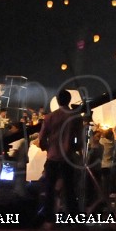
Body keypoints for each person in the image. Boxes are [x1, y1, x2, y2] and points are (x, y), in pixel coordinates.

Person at [38, 91, 82, 221]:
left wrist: (47, 148)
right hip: (67, 158)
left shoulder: (50, 117)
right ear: (69, 100)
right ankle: (73, 218)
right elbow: (78, 141)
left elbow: (41, 139)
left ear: (57, 101)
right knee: (69, 189)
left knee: (49, 189)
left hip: (52, 157)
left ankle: (49, 219)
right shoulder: (75, 117)